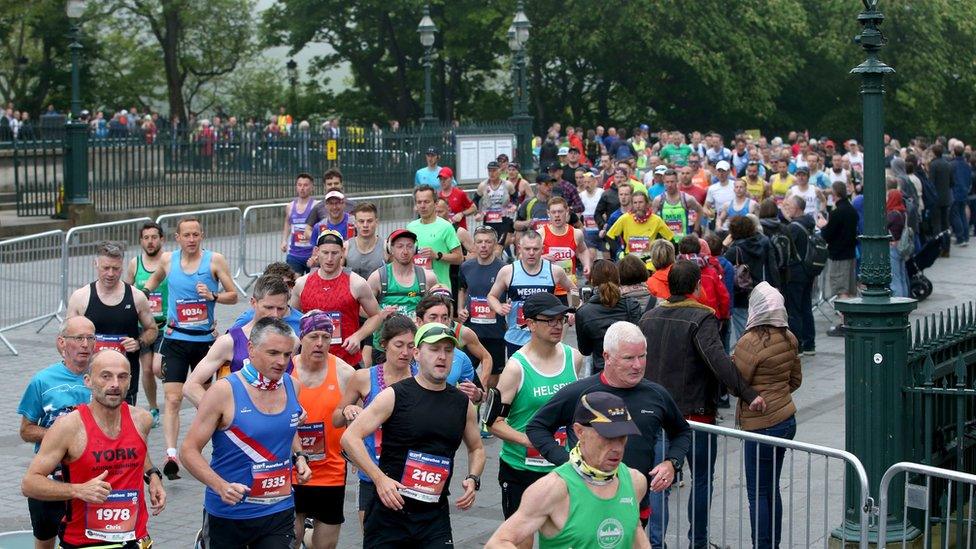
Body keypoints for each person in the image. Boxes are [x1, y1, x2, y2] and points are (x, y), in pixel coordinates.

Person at [526, 321, 693, 547]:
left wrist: (672, 463)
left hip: (632, 501)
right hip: (585, 502)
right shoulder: (580, 392)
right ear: (607, 356)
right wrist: (565, 461)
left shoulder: (656, 394)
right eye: (628, 358)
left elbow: (682, 431)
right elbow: (537, 426)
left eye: (642, 356)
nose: (637, 365)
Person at [639, 261, 766, 549]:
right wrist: (747, 393)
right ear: (697, 286)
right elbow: (717, 360)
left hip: (657, 412)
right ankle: (697, 540)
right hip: (695, 413)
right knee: (701, 480)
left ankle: (656, 544)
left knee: (660, 483)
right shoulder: (702, 317)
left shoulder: (649, 318)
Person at [340, 322, 486, 548]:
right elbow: (350, 437)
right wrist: (379, 479)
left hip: (433, 515)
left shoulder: (461, 403)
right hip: (391, 514)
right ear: (417, 354)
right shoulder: (394, 395)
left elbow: (476, 448)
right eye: (434, 349)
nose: (442, 357)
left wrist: (473, 478)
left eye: (448, 350)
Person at [181, 318, 312, 548]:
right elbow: (188, 451)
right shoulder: (224, 391)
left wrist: (300, 457)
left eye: (287, 354)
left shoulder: (293, 386)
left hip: (278, 508)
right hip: (230, 512)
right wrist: (219, 485)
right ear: (251, 349)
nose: (281, 362)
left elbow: (287, 427)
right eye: (273, 353)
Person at [21, 350, 166, 549]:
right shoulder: (68, 427)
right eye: (106, 376)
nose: (115, 384)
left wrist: (153, 475)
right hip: (83, 542)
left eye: (122, 377)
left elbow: (137, 451)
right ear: (88, 381)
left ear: (130, 381)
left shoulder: (142, 420)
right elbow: (29, 483)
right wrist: (78, 490)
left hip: (134, 539)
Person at [141, 217, 239, 480]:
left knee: (206, 402)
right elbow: (152, 281)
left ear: (202, 236)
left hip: (205, 343)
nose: (192, 239)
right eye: (187, 235)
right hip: (175, 339)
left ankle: (208, 449)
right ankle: (172, 454)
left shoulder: (215, 260)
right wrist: (142, 293)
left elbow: (234, 295)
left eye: (196, 234)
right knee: (172, 399)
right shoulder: (167, 260)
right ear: (178, 237)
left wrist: (213, 296)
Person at [487, 392, 650, 549]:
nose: (617, 448)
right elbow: (498, 542)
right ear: (579, 431)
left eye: (622, 437)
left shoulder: (635, 481)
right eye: (608, 437)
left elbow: (635, 530)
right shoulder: (553, 489)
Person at [486, 293, 581, 532]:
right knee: (519, 541)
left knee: (564, 541)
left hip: (562, 469)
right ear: (530, 324)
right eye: (549, 320)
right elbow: (493, 423)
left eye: (561, 319)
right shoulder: (516, 368)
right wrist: (531, 440)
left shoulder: (574, 358)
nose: (558, 325)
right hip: (521, 470)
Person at [732, 282, 802, 549]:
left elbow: (737, 383)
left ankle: (761, 544)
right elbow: (795, 379)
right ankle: (773, 542)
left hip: (760, 423)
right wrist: (777, 392)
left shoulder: (749, 342)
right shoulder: (789, 337)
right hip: (786, 419)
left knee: (757, 492)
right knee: (771, 488)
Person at [332, 316, 419, 528]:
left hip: (411, 473)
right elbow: (335, 418)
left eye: (411, 346)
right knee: (373, 538)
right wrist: (348, 410)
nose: (405, 352)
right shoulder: (363, 377)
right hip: (372, 474)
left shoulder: (422, 378)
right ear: (384, 344)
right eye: (398, 345)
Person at [18, 317, 96, 549]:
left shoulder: (104, 379)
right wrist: (61, 437)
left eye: (90, 338)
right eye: (78, 338)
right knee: (45, 544)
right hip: (51, 481)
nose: (85, 344)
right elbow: (26, 430)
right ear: (62, 342)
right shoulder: (42, 381)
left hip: (91, 482)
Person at [291, 311, 356, 549]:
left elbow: (359, 421)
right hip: (291, 468)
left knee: (325, 546)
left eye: (326, 336)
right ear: (302, 337)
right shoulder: (287, 367)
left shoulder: (345, 373)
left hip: (330, 469)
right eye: (313, 336)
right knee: (290, 540)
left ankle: (310, 538)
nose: (320, 343)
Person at [67, 241, 159, 407]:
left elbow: (152, 329)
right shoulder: (80, 297)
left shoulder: (136, 297)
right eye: (105, 268)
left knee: (123, 429)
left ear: (122, 268)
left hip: (123, 379)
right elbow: (66, 338)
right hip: (90, 379)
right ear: (96, 264)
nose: (110, 273)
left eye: (115, 269)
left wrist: (139, 342)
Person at [183, 275, 293, 406]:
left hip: (278, 420)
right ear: (253, 303)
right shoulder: (229, 342)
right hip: (239, 423)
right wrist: (218, 413)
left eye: (281, 309)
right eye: (268, 307)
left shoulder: (292, 340)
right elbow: (190, 386)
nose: (275, 314)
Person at [293, 230, 384, 368]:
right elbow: (291, 318)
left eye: (334, 253)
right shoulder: (302, 283)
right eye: (325, 253)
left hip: (347, 360)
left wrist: (358, 337)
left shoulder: (356, 282)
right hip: (311, 362)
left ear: (342, 252)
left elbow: (377, 316)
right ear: (317, 251)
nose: (329, 259)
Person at [488, 230, 574, 356]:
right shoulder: (508, 271)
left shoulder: (555, 271)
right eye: (527, 249)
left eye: (536, 249)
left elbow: (573, 290)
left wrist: (572, 311)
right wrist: (499, 307)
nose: (531, 253)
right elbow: (491, 296)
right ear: (519, 249)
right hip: (516, 338)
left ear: (543, 249)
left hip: (545, 338)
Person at [366, 229, 438, 356]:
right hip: (383, 348)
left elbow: (437, 310)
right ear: (390, 249)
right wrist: (380, 314)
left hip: (415, 347)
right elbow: (361, 308)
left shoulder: (427, 277)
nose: (405, 251)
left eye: (409, 246)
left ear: (415, 249)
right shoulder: (378, 277)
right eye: (399, 246)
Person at [124, 222, 167, 425]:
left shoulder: (168, 262)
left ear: (162, 239)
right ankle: (154, 408)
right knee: (147, 370)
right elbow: (126, 293)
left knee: (158, 369)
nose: (150, 242)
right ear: (141, 241)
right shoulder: (135, 263)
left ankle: (173, 385)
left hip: (165, 324)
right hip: (143, 326)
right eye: (146, 238)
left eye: (154, 237)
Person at [458, 226, 508, 389]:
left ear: (495, 244)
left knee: (493, 377)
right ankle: (473, 407)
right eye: (479, 242)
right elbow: (462, 289)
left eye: (488, 242)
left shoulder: (504, 268)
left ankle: (489, 410)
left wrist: (505, 307)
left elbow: (511, 295)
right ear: (474, 245)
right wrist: (461, 309)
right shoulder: (466, 267)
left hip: (495, 332)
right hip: (472, 331)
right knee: (466, 373)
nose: (483, 245)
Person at [575, 260, 642, 374]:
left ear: (592, 281)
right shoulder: (632, 305)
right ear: (618, 279)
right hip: (630, 369)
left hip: (602, 372)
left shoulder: (583, 312)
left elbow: (585, 350)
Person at [724, 216, 780, 344]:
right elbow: (772, 266)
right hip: (758, 290)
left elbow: (720, 263)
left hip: (740, 294)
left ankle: (747, 357)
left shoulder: (735, 250)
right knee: (758, 326)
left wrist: (724, 245)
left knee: (742, 330)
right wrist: (776, 286)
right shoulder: (764, 242)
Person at [817, 181, 859, 336]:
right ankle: (848, 321)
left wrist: (823, 226)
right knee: (848, 288)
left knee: (842, 290)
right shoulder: (852, 210)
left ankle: (845, 323)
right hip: (850, 253)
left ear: (835, 195)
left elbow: (828, 235)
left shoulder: (837, 212)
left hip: (838, 256)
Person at [780, 195, 818, 355]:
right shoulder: (808, 222)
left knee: (794, 309)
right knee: (806, 306)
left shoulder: (794, 227)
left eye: (788, 205)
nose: (786, 207)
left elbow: (787, 250)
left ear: (797, 208)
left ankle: (798, 345)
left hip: (796, 273)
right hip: (808, 270)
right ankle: (810, 343)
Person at [407, 185, 464, 289]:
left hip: (439, 288)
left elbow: (459, 258)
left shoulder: (446, 227)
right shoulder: (411, 227)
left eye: (427, 202)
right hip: (414, 290)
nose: (422, 206)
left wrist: (437, 255)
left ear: (436, 203)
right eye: (419, 202)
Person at [539, 196, 591, 304]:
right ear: (548, 213)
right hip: (548, 288)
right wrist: (542, 257)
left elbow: (582, 251)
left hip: (571, 287)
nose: (557, 215)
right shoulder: (540, 234)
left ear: (567, 212)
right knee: (551, 318)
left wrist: (587, 264)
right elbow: (525, 258)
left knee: (574, 313)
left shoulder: (576, 233)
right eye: (553, 212)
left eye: (560, 211)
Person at [232, 262, 303, 334]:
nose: (284, 288)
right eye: (269, 307)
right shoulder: (247, 319)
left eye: (289, 284)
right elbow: (232, 340)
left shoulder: (301, 321)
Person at [606, 190, 675, 262]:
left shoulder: (656, 220)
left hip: (649, 260)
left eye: (640, 202)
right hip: (630, 259)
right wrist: (619, 252)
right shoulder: (625, 218)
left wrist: (661, 255)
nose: (638, 206)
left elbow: (670, 239)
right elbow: (609, 236)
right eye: (635, 203)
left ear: (647, 204)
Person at [281, 173, 318, 275]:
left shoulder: (316, 206)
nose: (302, 188)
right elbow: (288, 223)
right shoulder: (290, 206)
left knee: (312, 287)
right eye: (299, 185)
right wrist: (284, 240)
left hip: (312, 254)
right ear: (296, 187)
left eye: (306, 185)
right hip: (294, 255)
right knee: (294, 285)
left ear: (312, 187)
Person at [653, 169, 705, 241]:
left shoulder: (687, 199)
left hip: (684, 242)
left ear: (677, 181)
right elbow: (652, 218)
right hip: (666, 242)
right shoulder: (658, 200)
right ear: (664, 182)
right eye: (667, 182)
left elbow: (700, 210)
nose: (670, 185)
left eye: (672, 182)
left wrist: (695, 231)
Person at [345, 202, 386, 282]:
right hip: (352, 293)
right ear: (355, 223)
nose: (365, 225)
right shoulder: (346, 247)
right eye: (361, 221)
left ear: (376, 222)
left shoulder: (386, 247)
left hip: (378, 293)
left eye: (369, 221)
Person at [886, 186, 911, 298]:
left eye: (888, 197)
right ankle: (905, 299)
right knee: (902, 277)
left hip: (893, 247)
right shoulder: (903, 212)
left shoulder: (893, 215)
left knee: (895, 279)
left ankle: (898, 301)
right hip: (901, 246)